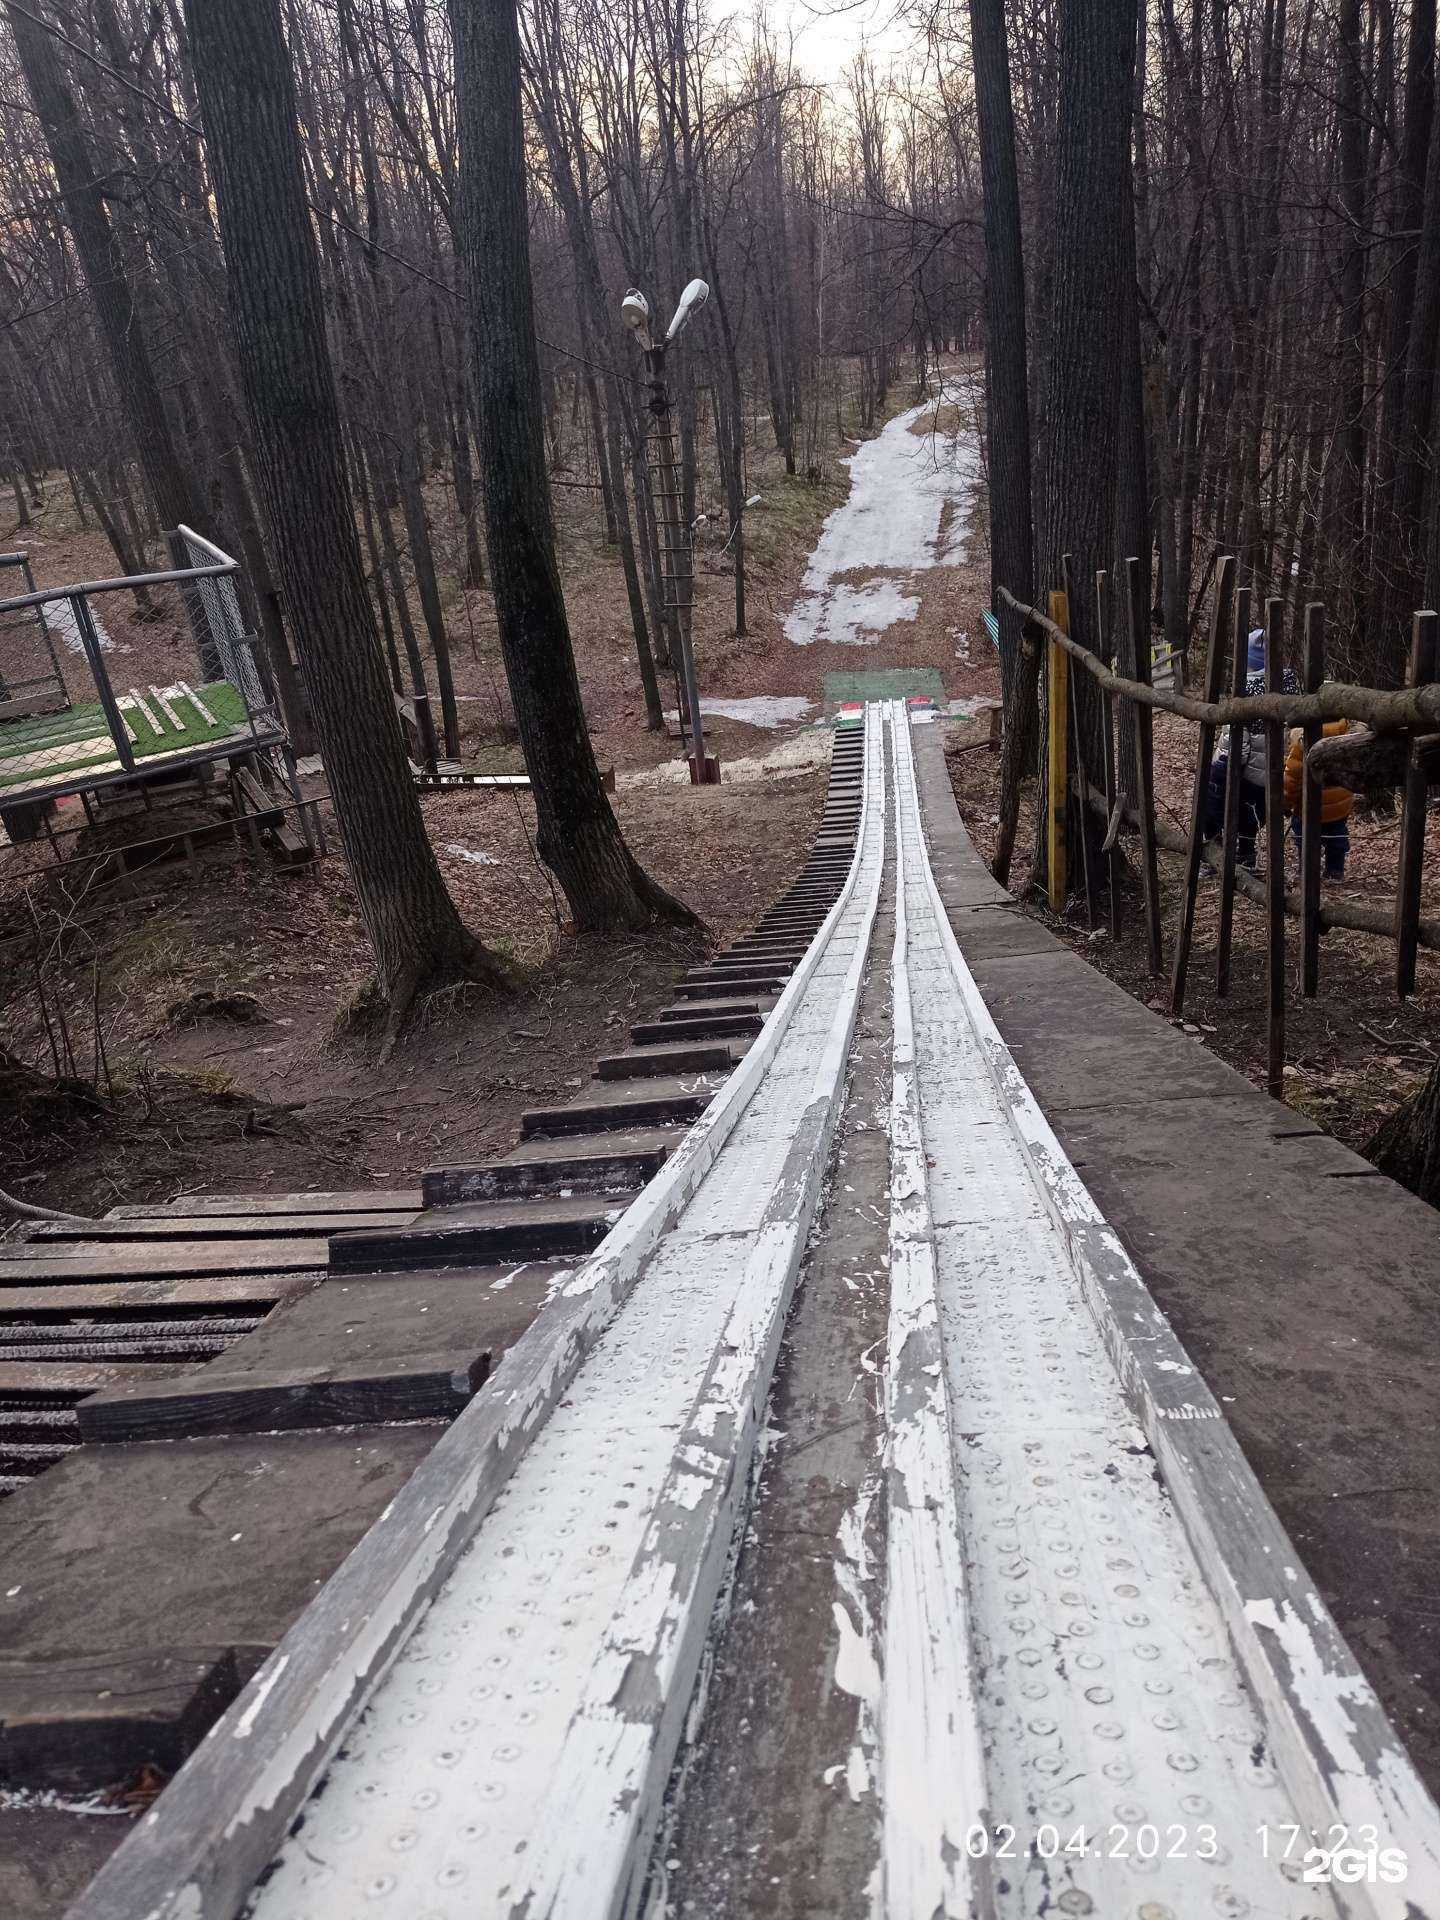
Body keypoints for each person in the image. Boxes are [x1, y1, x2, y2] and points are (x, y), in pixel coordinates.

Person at [1202, 627, 1297, 869]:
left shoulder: (1246, 690)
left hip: (1244, 770)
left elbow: (1238, 741)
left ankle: (1213, 857)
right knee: (1250, 820)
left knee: (1215, 807)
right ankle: (1246, 859)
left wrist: (1222, 766)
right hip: (1271, 772)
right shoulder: (1290, 687)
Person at [1284, 720, 1353, 880]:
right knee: (1336, 836)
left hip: (1308, 806)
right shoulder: (1345, 731)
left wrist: (1286, 802)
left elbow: (1292, 778)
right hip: (1339, 805)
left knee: (1305, 838)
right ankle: (1335, 870)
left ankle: (1308, 870)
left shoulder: (1302, 738)